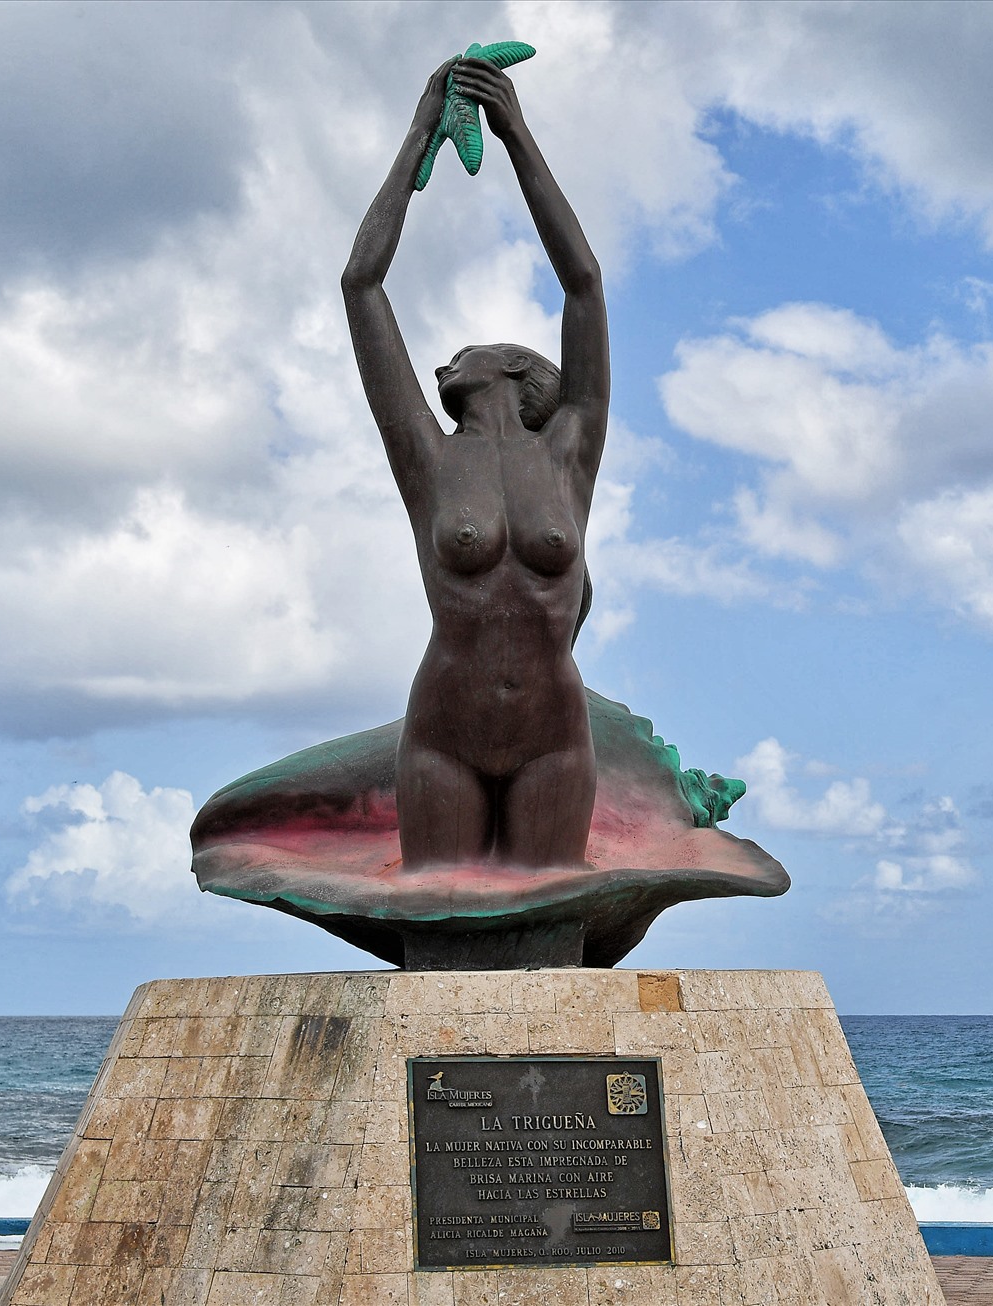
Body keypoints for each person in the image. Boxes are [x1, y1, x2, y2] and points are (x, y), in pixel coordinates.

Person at [341, 55, 608, 873]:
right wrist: (420, 129)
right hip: (444, 738)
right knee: (439, 932)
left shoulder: (571, 447)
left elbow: (585, 284)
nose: (437, 366)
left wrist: (516, 133)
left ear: (516, 370)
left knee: (547, 947)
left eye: (460, 354)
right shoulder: (425, 456)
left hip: (552, 740)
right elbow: (362, 283)